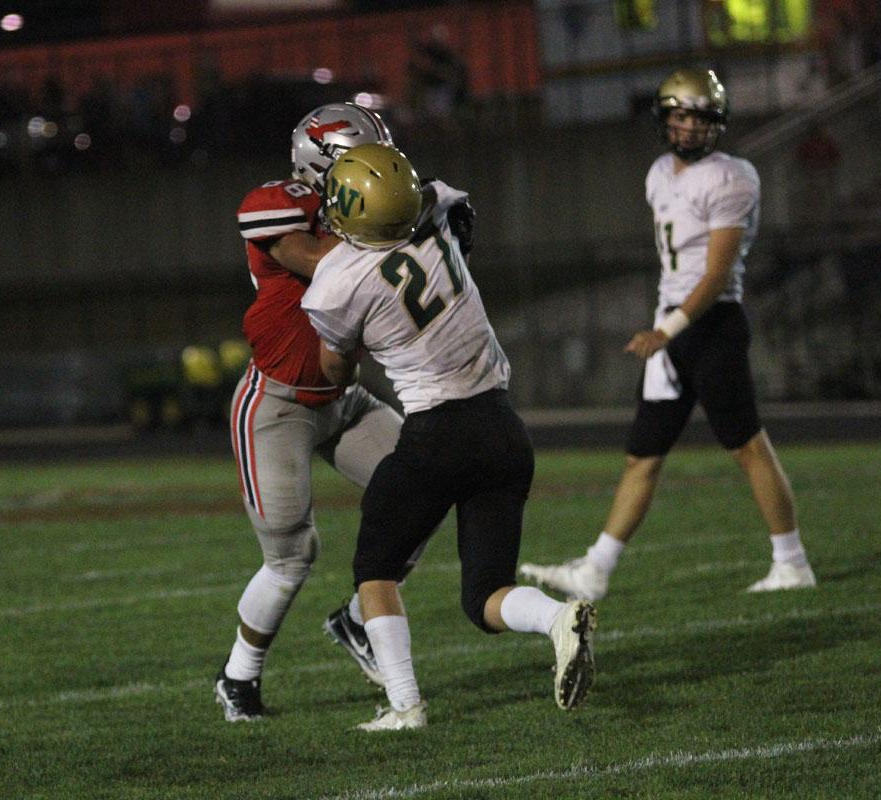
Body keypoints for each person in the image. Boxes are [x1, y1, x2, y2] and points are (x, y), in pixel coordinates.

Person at [301, 143, 597, 731]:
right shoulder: (432, 205)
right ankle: (557, 619)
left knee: (374, 569)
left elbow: (334, 370)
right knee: (485, 595)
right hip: (503, 428)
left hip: (437, 431)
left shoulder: (338, 278)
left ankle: (406, 706)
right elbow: (456, 208)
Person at [519, 68, 817, 602]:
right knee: (643, 455)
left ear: (716, 124)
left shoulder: (733, 177)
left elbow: (717, 274)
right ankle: (595, 571)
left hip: (712, 326)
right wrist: (666, 329)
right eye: (680, 116)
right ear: (664, 119)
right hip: (671, 329)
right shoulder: (659, 172)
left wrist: (668, 329)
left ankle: (791, 562)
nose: (689, 127)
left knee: (748, 445)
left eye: (700, 118)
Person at [214, 102, 422, 722]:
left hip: (345, 398)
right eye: (360, 160)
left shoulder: (374, 208)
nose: (376, 171)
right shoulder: (278, 206)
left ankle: (359, 621)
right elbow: (325, 263)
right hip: (276, 402)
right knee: (291, 556)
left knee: (426, 484)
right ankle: (238, 678)